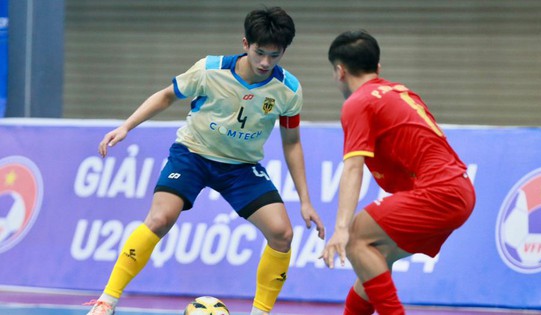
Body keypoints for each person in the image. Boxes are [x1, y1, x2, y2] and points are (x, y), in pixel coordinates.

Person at [85, 6, 325, 315]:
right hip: (193, 155)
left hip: (241, 167)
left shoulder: (288, 90)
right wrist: (126, 126)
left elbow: (291, 143)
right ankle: (107, 301)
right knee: (159, 219)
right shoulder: (210, 70)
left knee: (282, 234)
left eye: (274, 55)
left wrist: (305, 201)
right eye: (259, 52)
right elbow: (166, 96)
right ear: (245, 44)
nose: (266, 62)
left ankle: (260, 312)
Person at [320, 30, 476, 315]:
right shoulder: (398, 92)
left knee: (356, 236)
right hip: (460, 190)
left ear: (340, 71)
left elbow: (353, 168)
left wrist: (341, 229)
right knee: (374, 259)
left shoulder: (358, 103)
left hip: (440, 192)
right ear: (377, 68)